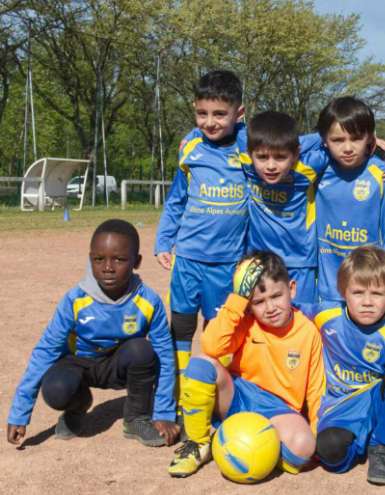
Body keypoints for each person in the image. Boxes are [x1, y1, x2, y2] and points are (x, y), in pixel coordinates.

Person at [7, 220, 179, 448]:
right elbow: (45, 351)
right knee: (56, 389)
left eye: (119, 259)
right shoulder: (75, 300)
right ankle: (77, 407)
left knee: (143, 350)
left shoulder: (148, 301)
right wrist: (20, 413)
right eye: (99, 259)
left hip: (119, 367)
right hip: (78, 365)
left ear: (136, 262)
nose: (108, 267)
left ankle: (136, 418)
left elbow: (165, 356)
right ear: (90, 259)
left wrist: (164, 412)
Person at [168, 251, 324, 478]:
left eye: (276, 296)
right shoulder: (245, 322)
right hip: (238, 396)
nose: (270, 307)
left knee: (304, 447)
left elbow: (316, 390)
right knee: (201, 364)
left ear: (291, 289)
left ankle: (238, 442)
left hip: (279, 410)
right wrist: (237, 301)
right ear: (248, 304)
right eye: (258, 302)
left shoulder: (308, 332)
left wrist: (316, 432)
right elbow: (212, 346)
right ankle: (199, 444)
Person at [154, 70, 249, 426]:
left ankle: (215, 390)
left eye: (219, 114)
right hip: (188, 259)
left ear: (239, 114)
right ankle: (180, 390)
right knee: (181, 325)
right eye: (202, 113)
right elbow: (176, 200)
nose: (209, 122)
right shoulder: (191, 148)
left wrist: (372, 143)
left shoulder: (250, 147)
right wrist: (164, 239)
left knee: (217, 331)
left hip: (227, 264)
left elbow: (292, 139)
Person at [296, 246, 385, 485]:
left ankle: (383, 446)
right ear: (342, 292)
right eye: (358, 292)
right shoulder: (327, 315)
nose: (367, 302)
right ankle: (364, 439)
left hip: (378, 405)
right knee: (330, 453)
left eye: (377, 293)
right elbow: (293, 310)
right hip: (340, 406)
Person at [315, 96, 385, 302]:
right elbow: (281, 142)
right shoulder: (315, 171)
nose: (347, 147)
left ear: (370, 138)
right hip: (326, 290)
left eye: (356, 138)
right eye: (337, 140)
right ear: (324, 139)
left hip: (369, 290)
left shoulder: (382, 174)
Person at [241, 111, 332, 303]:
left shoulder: (306, 169)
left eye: (281, 157)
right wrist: (193, 136)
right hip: (258, 262)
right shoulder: (247, 164)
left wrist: (373, 144)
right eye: (263, 157)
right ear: (250, 153)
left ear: (296, 154)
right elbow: (219, 130)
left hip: (300, 263)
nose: (271, 166)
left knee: (303, 320)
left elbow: (330, 139)